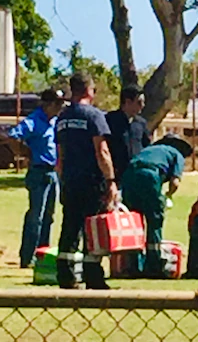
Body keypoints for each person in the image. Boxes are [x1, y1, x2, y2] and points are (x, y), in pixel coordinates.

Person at [55, 72, 118, 290]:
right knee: (94, 229)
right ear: (89, 90)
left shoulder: (62, 118)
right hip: (92, 182)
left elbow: (60, 155)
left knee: (70, 228)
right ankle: (93, 276)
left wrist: (63, 180)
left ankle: (65, 275)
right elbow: (102, 151)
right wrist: (110, 180)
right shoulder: (94, 116)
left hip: (70, 181)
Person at [120, 133, 194, 278]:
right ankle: (153, 266)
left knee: (134, 222)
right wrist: (168, 196)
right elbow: (175, 182)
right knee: (154, 221)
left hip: (128, 176)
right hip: (149, 176)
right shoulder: (176, 153)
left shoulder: (149, 150)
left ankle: (132, 265)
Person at [8, 88, 65, 268]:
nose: (60, 108)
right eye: (57, 104)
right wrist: (27, 153)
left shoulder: (54, 121)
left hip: (52, 172)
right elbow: (12, 137)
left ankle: (42, 254)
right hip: (38, 172)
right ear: (47, 104)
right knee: (36, 216)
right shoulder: (34, 120)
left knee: (49, 216)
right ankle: (27, 256)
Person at [105, 85, 151, 186]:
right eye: (139, 102)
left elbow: (147, 147)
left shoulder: (141, 123)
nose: (142, 105)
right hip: (116, 177)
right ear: (128, 102)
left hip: (136, 176)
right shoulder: (109, 120)